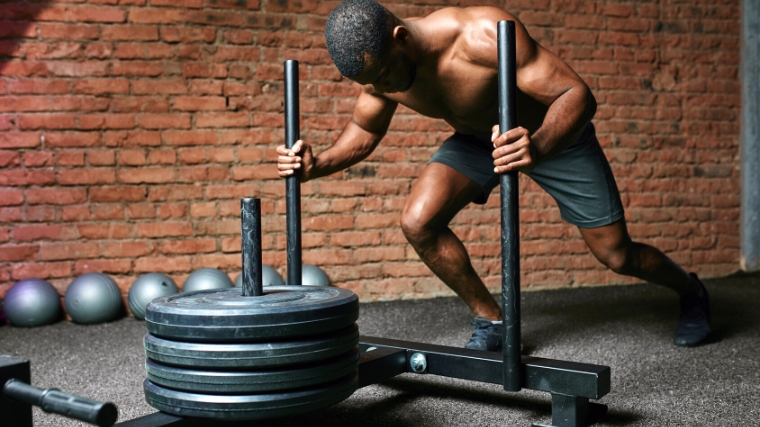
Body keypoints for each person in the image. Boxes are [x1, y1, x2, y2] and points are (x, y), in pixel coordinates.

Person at [276, 0, 711, 350]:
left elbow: (575, 94)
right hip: (477, 139)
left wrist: (537, 146)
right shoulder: (378, 73)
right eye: (375, 83)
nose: (385, 89)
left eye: (387, 75)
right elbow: (366, 129)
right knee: (418, 222)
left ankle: (689, 290)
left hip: (552, 135)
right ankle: (492, 318)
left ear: (401, 37)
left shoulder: (481, 34)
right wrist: (319, 164)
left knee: (617, 255)